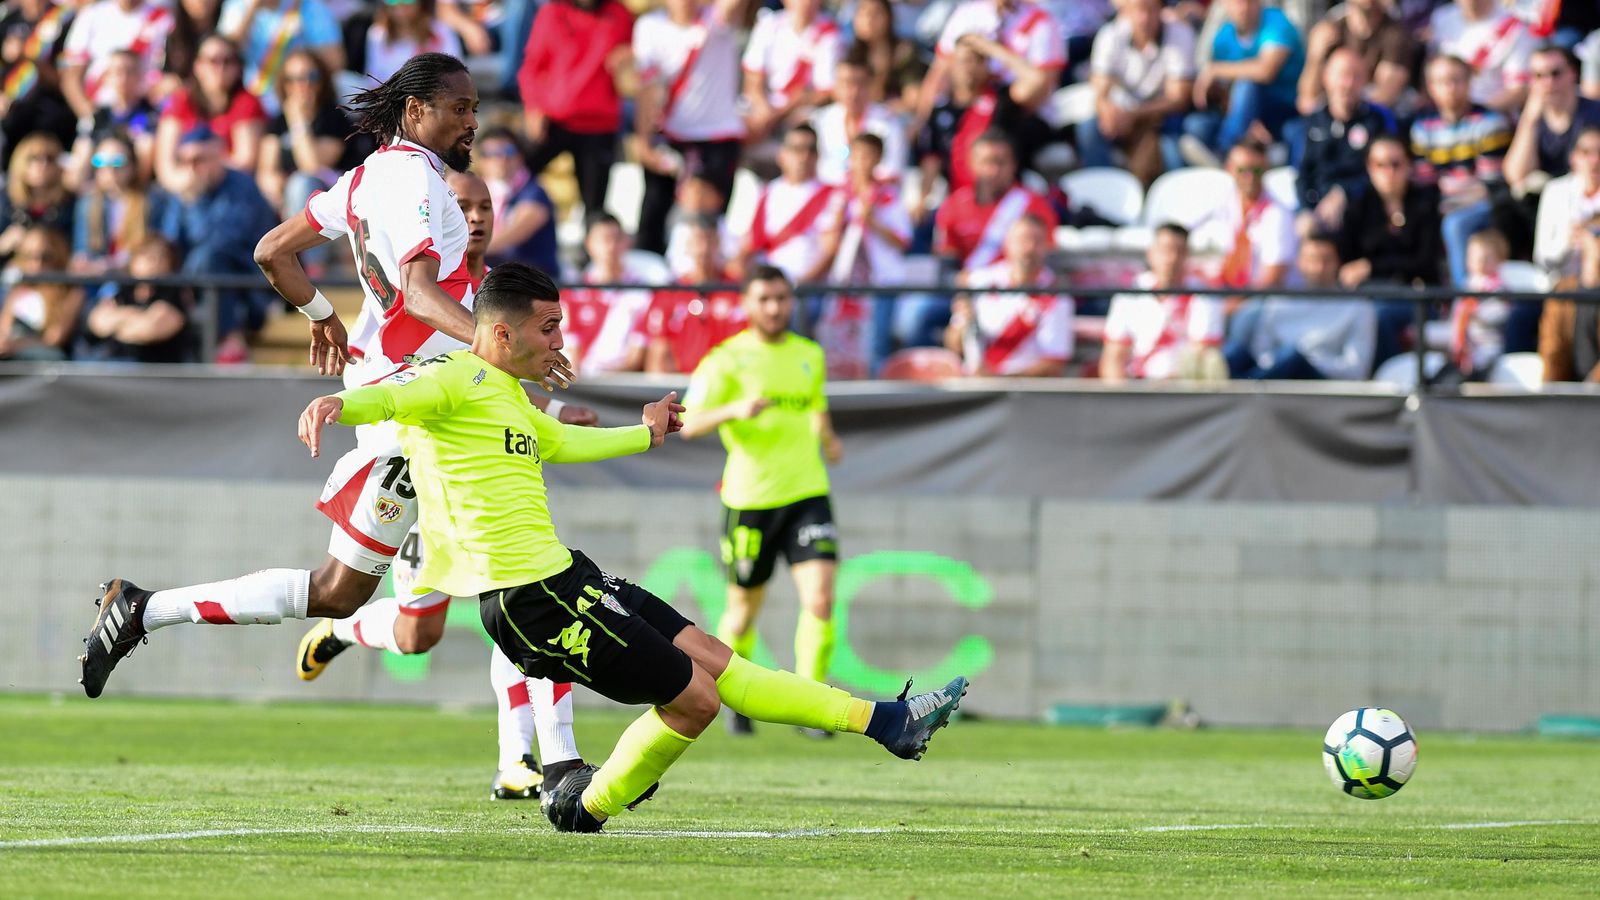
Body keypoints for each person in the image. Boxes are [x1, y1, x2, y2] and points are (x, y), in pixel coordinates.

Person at [79, 54, 596, 801]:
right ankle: (557, 764)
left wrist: (321, 318)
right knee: (522, 561)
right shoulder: (416, 180)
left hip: (407, 403)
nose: (472, 122)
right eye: (460, 107)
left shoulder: (361, 181)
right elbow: (419, 293)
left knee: (339, 593)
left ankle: (141, 610)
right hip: (418, 408)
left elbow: (273, 251)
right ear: (416, 111)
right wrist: (503, 357)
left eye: (474, 109)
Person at [292, 261, 967, 833]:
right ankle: (585, 805)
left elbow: (563, 443)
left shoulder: (508, 395)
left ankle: (885, 721)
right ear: (501, 333)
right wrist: (335, 406)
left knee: (718, 662)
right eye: (548, 326)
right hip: (531, 604)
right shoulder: (452, 380)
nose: (562, 338)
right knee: (696, 701)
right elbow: (390, 398)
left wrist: (644, 432)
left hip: (567, 580)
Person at [677, 263, 848, 739]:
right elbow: (687, 423)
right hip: (750, 499)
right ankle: (736, 698)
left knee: (820, 598)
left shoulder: (810, 354)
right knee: (743, 609)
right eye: (765, 299)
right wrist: (735, 409)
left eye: (782, 298)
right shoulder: (726, 360)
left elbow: (816, 409)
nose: (775, 308)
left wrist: (829, 439)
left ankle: (812, 705)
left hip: (808, 493)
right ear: (748, 305)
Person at [148, 125, 279, 361]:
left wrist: (194, 202)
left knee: (208, 257)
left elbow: (224, 241)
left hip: (247, 283)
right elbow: (169, 245)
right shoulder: (184, 193)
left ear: (219, 157)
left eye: (199, 160)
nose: (191, 168)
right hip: (197, 282)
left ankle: (228, 338)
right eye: (184, 161)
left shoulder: (242, 188)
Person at [630, 0, 747, 256]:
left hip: (718, 136)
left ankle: (710, 283)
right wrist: (643, 142)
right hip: (671, 135)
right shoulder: (650, 26)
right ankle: (650, 279)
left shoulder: (715, 19)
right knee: (653, 211)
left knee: (710, 220)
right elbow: (645, 88)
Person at [519, 0, 634, 218]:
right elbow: (532, 66)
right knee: (512, 176)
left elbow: (637, 61)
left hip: (599, 124)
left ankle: (593, 250)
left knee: (594, 207)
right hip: (554, 119)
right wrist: (533, 108)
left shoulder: (620, 15)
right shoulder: (552, 13)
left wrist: (630, 59)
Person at [1411, 54, 1513, 288]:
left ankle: (1463, 297)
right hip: (1443, 203)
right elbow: (1424, 183)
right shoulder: (1421, 127)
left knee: (1455, 224)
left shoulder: (1490, 123)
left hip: (1485, 205)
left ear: (1469, 82)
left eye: (1456, 80)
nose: (1450, 88)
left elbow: (1489, 185)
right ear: (1431, 87)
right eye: (1442, 81)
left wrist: (1447, 199)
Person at [817, 132, 911, 379]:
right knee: (838, 341)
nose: (861, 162)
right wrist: (839, 222)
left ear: (878, 159)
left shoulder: (889, 196)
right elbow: (826, 235)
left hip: (881, 282)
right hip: (845, 282)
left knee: (877, 344)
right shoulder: (838, 196)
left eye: (868, 156)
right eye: (856, 155)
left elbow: (902, 240)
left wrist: (871, 220)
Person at [1225, 232, 1375, 381]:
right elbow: (1261, 351)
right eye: (1312, 259)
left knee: (1291, 357)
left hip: (1322, 383)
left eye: (1326, 260)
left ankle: (1240, 393)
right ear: (1299, 262)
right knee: (1232, 352)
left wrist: (1307, 361)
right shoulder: (1278, 302)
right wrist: (1279, 364)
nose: (1318, 268)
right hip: (1274, 375)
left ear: (1338, 262)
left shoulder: (1358, 307)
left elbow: (1356, 370)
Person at [918, 34, 1052, 199]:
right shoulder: (941, 110)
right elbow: (932, 159)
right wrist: (922, 198)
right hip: (961, 201)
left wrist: (992, 49)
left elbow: (1037, 80)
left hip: (1004, 200)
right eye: (964, 61)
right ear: (952, 65)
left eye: (977, 60)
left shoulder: (1002, 100)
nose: (970, 67)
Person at [1080, 0, 1196, 186]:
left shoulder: (1180, 34)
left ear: (1161, 9)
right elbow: (1100, 89)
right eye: (1138, 10)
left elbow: (1178, 98)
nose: (1144, 18)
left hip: (1163, 117)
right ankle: (1101, 194)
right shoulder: (1110, 35)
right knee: (1089, 129)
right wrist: (1107, 111)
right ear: (1126, 11)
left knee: (1172, 148)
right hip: (1124, 113)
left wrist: (1133, 114)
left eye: (1150, 9)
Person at [1180, 0, 1305, 167]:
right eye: (1237, 2)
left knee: (1247, 85)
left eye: (1249, 2)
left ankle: (1227, 155)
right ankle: (1241, 157)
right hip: (1244, 118)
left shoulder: (1277, 22)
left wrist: (1214, 70)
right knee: (1195, 125)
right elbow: (1228, 95)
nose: (1243, 8)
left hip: (1284, 111)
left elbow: (1265, 71)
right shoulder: (1223, 37)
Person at [945, 214, 1072, 376]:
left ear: (1047, 247)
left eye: (1037, 241)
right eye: (1023, 240)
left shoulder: (1056, 296)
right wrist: (961, 326)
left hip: (1023, 394)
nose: (1030, 248)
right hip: (973, 386)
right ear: (1008, 244)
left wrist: (998, 380)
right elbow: (953, 344)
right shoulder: (980, 281)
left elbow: (1054, 364)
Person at [1101, 222, 1226, 383]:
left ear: (1186, 256)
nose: (1171, 259)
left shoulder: (1204, 296)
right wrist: (1122, 398)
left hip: (1182, 393)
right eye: (1165, 250)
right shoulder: (1129, 295)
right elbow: (1113, 357)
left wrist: (1161, 395)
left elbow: (1201, 358)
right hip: (1135, 390)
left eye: (1178, 251)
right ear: (1151, 253)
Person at [1294, 47, 1398, 236]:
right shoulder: (1311, 123)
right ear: (1326, 77)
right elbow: (1302, 174)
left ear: (1365, 80)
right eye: (1342, 75)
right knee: (1304, 228)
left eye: (1356, 76)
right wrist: (1306, 209)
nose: (1348, 84)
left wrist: (1344, 193)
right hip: (1319, 207)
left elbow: (1387, 167)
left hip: (1364, 207)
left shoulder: (1378, 120)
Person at [918, 0, 1064, 127]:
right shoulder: (966, 15)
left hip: (1017, 114)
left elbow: (1038, 90)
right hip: (969, 107)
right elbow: (939, 78)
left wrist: (990, 48)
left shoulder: (1040, 21)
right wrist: (920, 126)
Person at [933, 130, 1057, 274]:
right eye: (987, 162)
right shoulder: (953, 205)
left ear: (1014, 165)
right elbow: (946, 265)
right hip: (969, 289)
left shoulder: (1034, 205)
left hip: (1015, 290)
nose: (994, 170)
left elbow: (1047, 261)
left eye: (1001, 162)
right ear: (972, 163)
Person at [735, 124, 841, 285]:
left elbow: (830, 249)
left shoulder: (832, 195)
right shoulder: (767, 192)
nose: (804, 156)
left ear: (818, 156)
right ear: (782, 155)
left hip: (808, 290)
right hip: (770, 285)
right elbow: (750, 243)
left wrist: (801, 286)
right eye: (797, 149)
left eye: (811, 150)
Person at [154, 35, 268, 184]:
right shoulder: (180, 100)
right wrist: (186, 181)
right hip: (184, 184)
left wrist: (201, 156)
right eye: (213, 61)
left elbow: (244, 161)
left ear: (238, 67)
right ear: (198, 66)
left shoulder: (247, 102)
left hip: (229, 185)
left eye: (227, 61)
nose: (220, 68)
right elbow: (165, 164)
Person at [644, 214, 745, 374]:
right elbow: (658, 353)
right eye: (698, 240)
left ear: (718, 243)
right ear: (687, 245)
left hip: (728, 383)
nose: (703, 249)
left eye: (709, 240)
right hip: (680, 386)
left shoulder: (738, 290)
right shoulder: (670, 292)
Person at [1195, 140, 1295, 292]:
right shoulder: (1216, 202)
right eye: (1243, 170)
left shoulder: (1278, 215)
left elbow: (1272, 280)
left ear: (1266, 169)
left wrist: (1231, 307)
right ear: (1230, 169)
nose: (1250, 178)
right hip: (1218, 294)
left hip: (1257, 303)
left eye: (1257, 171)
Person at [77, 234, 195, 363]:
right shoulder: (121, 289)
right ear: (133, 261)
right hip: (113, 367)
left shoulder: (173, 295)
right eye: (147, 256)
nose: (154, 263)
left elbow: (150, 329)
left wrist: (118, 322)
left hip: (157, 373)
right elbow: (99, 322)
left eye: (161, 257)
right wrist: (139, 316)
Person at [58, 0, 171, 131]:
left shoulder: (163, 19)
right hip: (101, 114)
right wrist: (91, 117)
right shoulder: (91, 15)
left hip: (145, 117)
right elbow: (71, 78)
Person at [564, 212, 654, 376]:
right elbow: (571, 353)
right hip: (582, 385)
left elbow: (636, 358)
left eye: (617, 239)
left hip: (624, 384)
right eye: (604, 239)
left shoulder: (644, 292)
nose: (611, 246)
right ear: (589, 244)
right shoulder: (574, 292)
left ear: (627, 242)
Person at [740, 0, 843, 142]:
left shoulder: (830, 32)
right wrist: (763, 109)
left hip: (800, 111)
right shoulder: (769, 24)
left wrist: (776, 116)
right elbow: (752, 77)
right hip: (762, 107)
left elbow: (824, 91)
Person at [1504, 45, 1600, 196]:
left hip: (1588, 197)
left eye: (1556, 73)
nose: (1548, 82)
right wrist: (1529, 120)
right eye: (1538, 76)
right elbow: (1516, 175)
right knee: (1506, 207)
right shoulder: (1532, 118)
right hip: (1547, 198)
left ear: (1573, 73)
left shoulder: (1595, 112)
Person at [217, 0, 344, 112]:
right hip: (250, 100)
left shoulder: (309, 5)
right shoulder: (236, 6)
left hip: (298, 95)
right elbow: (225, 54)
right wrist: (252, 10)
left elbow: (336, 61)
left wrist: (302, 47)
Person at [1295, 0, 1416, 116]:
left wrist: (1344, 107)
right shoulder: (1329, 31)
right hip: (1331, 114)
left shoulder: (1396, 35)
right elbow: (1306, 98)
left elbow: (1384, 97)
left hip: (1371, 119)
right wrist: (1316, 58)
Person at [811, 51, 908, 185]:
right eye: (846, 83)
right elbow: (817, 169)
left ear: (871, 86)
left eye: (860, 84)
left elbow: (892, 170)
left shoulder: (889, 122)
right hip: (832, 195)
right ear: (835, 86)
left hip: (874, 196)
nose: (853, 91)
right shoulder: (820, 120)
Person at [0, 0, 76, 170]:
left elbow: (62, 82)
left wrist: (28, 57)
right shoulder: (7, 19)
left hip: (49, 107)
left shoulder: (63, 18)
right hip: (9, 106)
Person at [473, 127, 558, 275]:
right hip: (498, 275)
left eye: (509, 151)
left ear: (520, 156)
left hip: (533, 280)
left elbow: (515, 233)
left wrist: (470, 249)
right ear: (481, 161)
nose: (502, 159)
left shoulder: (533, 192)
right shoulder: (478, 191)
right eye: (492, 154)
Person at [1427, 0, 1535, 115]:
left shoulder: (1515, 23)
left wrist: (1476, 115)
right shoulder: (1441, 18)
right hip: (1446, 119)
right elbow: (1432, 72)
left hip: (1496, 118)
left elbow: (1520, 89)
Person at [1432, 228, 1511, 381]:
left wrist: (1477, 312)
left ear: (1499, 260)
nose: (1480, 263)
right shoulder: (1467, 285)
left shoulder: (1499, 287)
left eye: (1486, 258)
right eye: (1475, 258)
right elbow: (1456, 318)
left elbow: (1500, 314)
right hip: (1462, 347)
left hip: (1487, 346)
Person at [71, 130, 150, 274]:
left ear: (132, 165)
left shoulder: (149, 201)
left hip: (135, 279)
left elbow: (152, 252)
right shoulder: (87, 203)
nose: (110, 169)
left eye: (118, 161)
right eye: (100, 161)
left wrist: (109, 266)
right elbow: (82, 251)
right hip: (97, 282)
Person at [0, 225, 82, 360]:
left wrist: (16, 345)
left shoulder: (71, 291)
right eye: (29, 256)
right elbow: (4, 328)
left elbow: (54, 339)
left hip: (40, 355)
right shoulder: (17, 289)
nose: (36, 264)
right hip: (11, 351)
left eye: (45, 257)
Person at [1538, 213, 1600, 382]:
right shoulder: (1563, 290)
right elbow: (1552, 345)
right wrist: (1552, 390)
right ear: (1582, 238)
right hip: (1568, 395)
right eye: (1596, 233)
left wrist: (1590, 388)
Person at [1533, 125, 1600, 279]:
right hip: (1565, 287)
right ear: (1573, 157)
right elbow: (1542, 257)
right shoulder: (1555, 191)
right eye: (1586, 152)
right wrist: (1567, 242)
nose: (1594, 160)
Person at [0, 132, 75, 264]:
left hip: (56, 275)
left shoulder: (70, 203)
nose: (43, 165)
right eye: (34, 158)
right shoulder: (5, 201)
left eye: (50, 158)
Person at [847, 0, 925, 114]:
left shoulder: (903, 52)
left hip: (891, 115)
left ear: (888, 17)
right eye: (863, 13)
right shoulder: (850, 53)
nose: (869, 20)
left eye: (875, 13)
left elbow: (912, 98)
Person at [367, 0, 463, 83]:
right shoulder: (377, 34)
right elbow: (373, 78)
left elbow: (454, 71)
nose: (400, 5)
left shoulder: (441, 30)